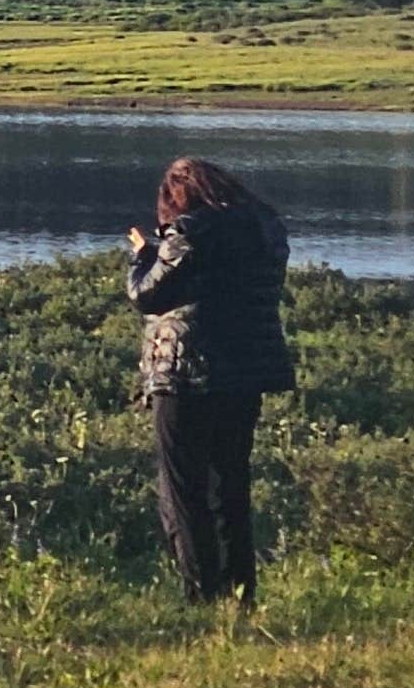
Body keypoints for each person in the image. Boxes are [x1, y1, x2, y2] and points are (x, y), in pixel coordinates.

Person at [124, 156, 296, 604]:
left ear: (178, 195)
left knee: (183, 490)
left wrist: (143, 254)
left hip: (185, 374)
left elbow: (146, 296)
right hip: (245, 374)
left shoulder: (189, 232)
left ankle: (201, 596)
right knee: (230, 487)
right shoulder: (266, 229)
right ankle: (241, 594)